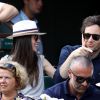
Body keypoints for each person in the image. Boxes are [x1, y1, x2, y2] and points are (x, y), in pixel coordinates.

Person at [0, 20, 56, 99]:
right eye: (35, 37)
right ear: (24, 40)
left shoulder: (40, 59)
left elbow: (58, 77)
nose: (39, 41)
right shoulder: (5, 62)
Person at [53, 15, 100, 84]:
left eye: (95, 37)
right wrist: (73, 56)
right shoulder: (68, 51)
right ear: (82, 36)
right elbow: (57, 81)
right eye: (87, 35)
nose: (90, 40)